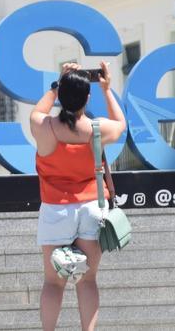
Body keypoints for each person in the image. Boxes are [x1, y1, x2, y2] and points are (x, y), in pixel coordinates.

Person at [31, 62, 126, 331]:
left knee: (52, 282)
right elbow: (121, 123)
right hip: (91, 207)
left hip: (55, 209)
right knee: (87, 280)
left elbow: (38, 111)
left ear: (61, 95)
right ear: (87, 98)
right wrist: (107, 89)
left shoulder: (45, 127)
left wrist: (57, 85)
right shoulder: (97, 130)